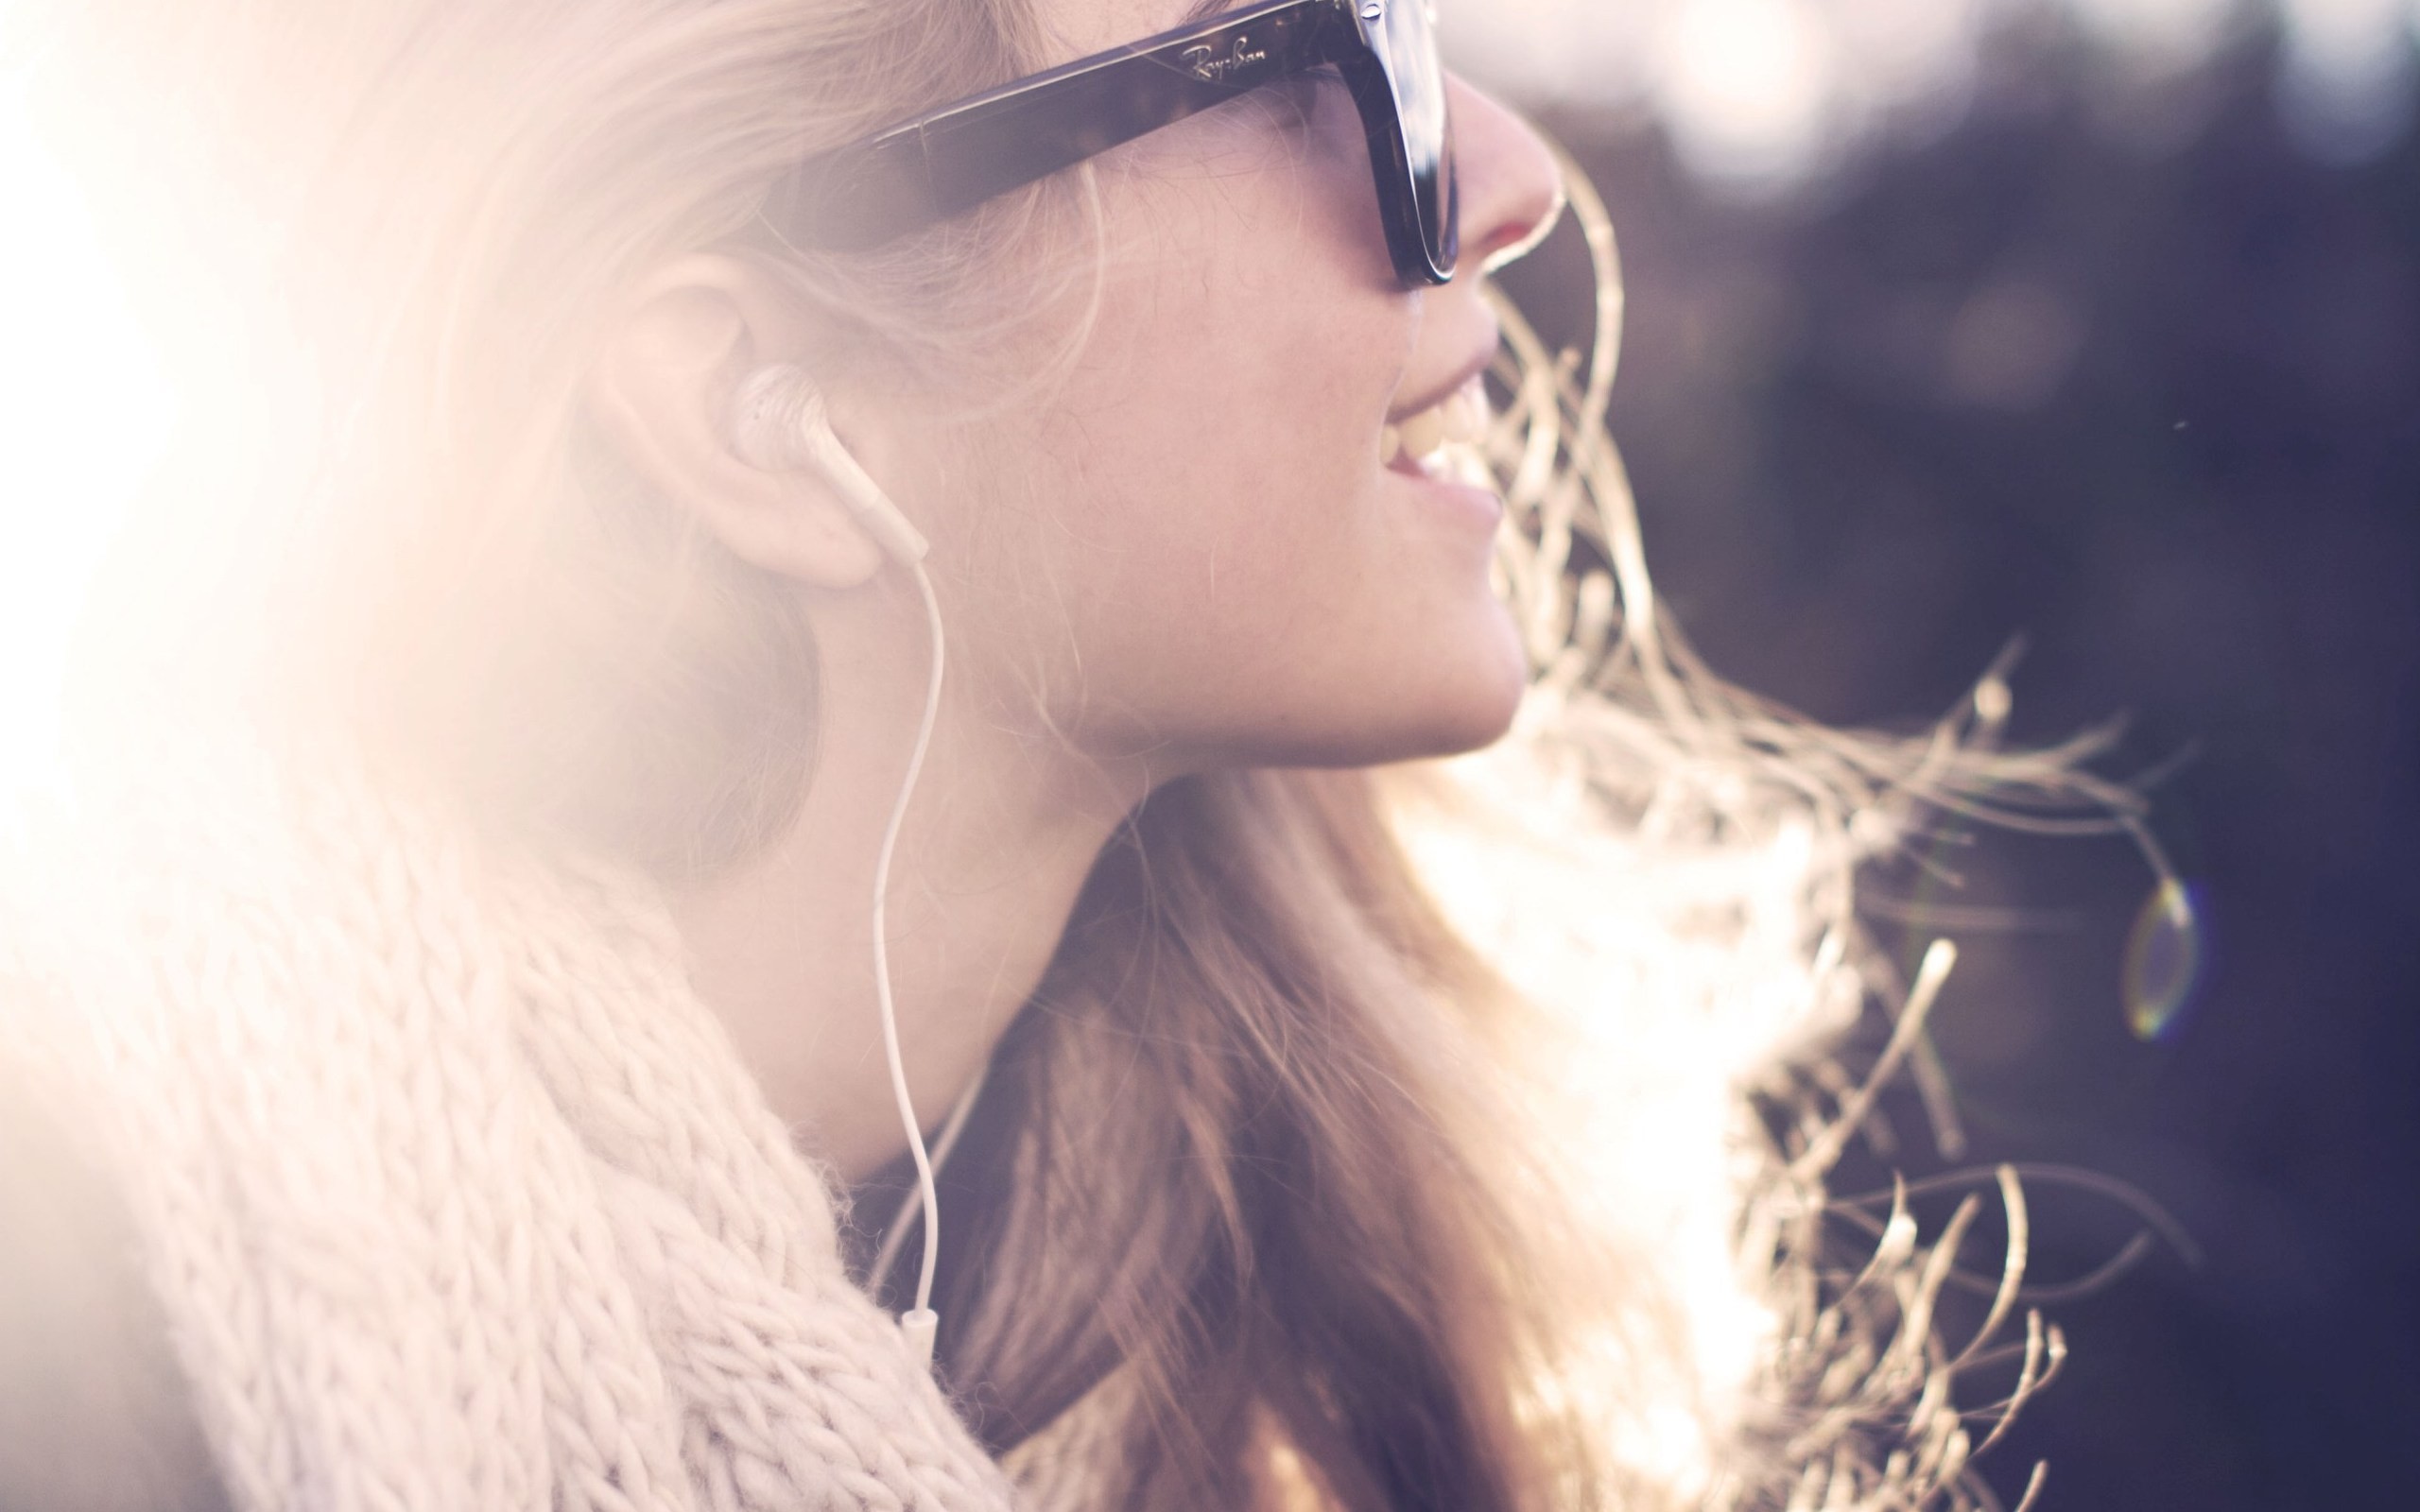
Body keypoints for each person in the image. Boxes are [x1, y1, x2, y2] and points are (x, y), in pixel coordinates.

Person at [0, 1, 2083, 1508]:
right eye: (1309, 49)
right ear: (755, 402)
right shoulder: (82, 1336)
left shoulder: (1313, 1327)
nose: (1512, 181)